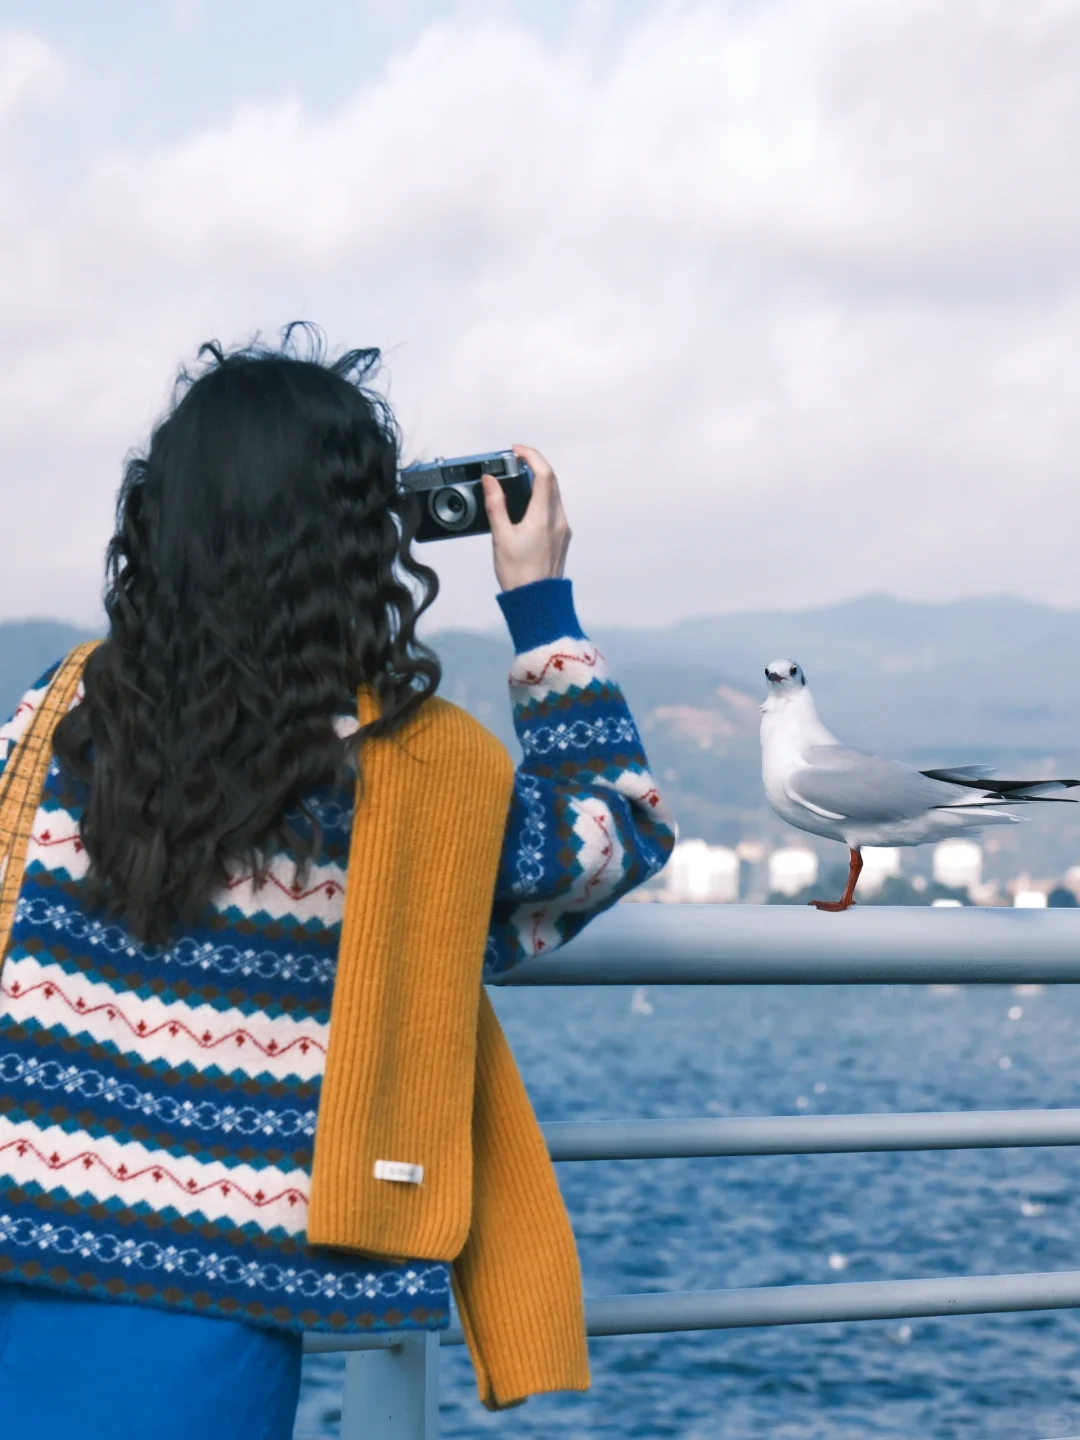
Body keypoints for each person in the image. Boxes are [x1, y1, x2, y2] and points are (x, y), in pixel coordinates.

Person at [0, 328, 674, 1438]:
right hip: (201, 1306)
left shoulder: (57, 709)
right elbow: (617, 831)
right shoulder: (413, 773)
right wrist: (540, 600)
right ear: (366, 541)